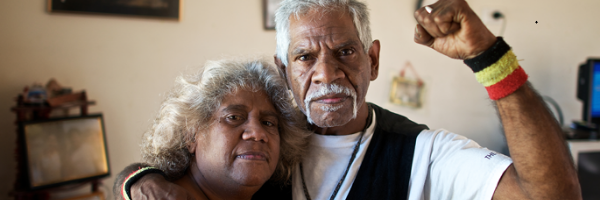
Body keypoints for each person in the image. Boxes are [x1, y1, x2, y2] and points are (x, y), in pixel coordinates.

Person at [117, 0, 582, 199]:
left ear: (372, 61)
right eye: (304, 57)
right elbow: (169, 174)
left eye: (345, 52)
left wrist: (489, 58)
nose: (326, 74)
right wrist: (136, 177)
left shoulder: (425, 155)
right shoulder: (259, 145)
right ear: (284, 70)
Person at [114, 58, 310, 200]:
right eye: (233, 117)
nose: (257, 133)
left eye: (268, 123)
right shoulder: (159, 195)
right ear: (191, 135)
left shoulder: (277, 191)